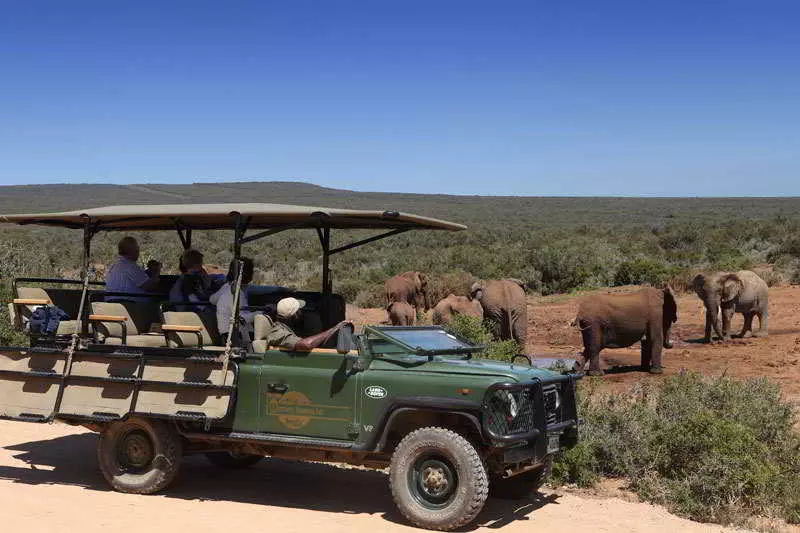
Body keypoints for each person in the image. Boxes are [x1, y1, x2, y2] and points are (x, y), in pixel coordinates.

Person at [267, 296, 352, 351]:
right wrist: (334, 329)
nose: (302, 313)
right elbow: (307, 345)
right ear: (294, 316)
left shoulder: (288, 326)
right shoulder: (278, 332)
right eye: (299, 311)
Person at [210, 257, 255, 343]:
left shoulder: (226, 287)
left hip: (228, 335)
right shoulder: (235, 293)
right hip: (233, 337)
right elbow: (242, 318)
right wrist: (262, 313)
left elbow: (212, 300)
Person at [105, 236, 162, 301]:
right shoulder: (130, 266)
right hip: (129, 304)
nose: (138, 251)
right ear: (132, 251)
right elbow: (150, 287)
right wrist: (157, 271)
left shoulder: (113, 266)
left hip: (112, 303)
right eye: (137, 249)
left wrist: (150, 271)